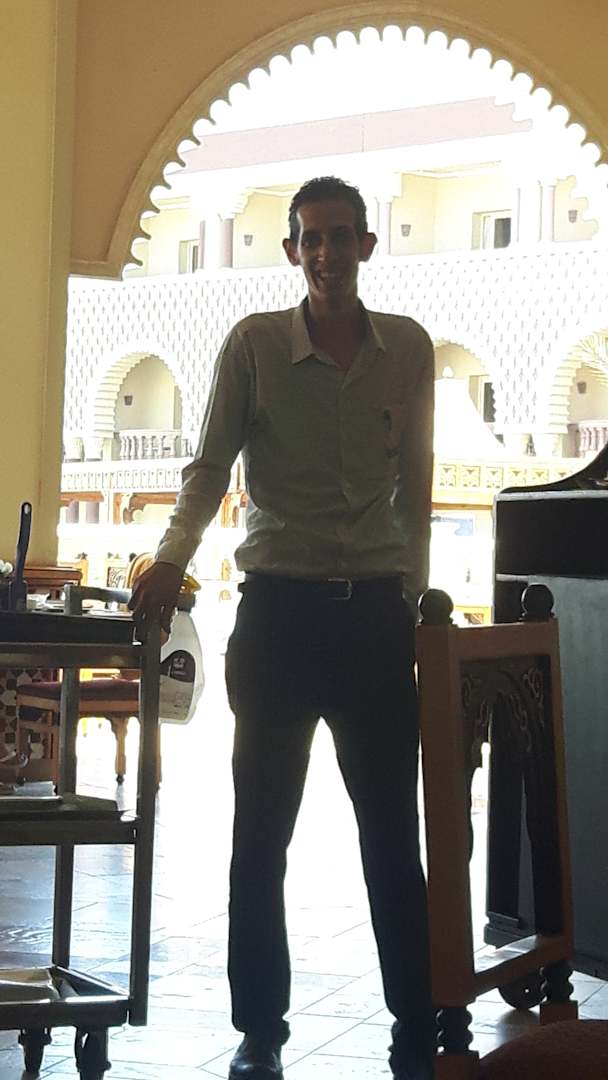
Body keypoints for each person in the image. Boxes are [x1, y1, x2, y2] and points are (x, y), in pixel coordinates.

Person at [130, 176, 436, 1080]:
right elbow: (208, 467)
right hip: (279, 619)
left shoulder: (407, 349)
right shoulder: (255, 346)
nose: (328, 253)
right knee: (261, 836)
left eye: (342, 236)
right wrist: (171, 559)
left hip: (374, 618)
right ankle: (260, 1030)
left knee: (393, 833)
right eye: (312, 238)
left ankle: (417, 1018)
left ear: (368, 245)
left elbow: (416, 485)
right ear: (294, 250)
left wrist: (413, 600)